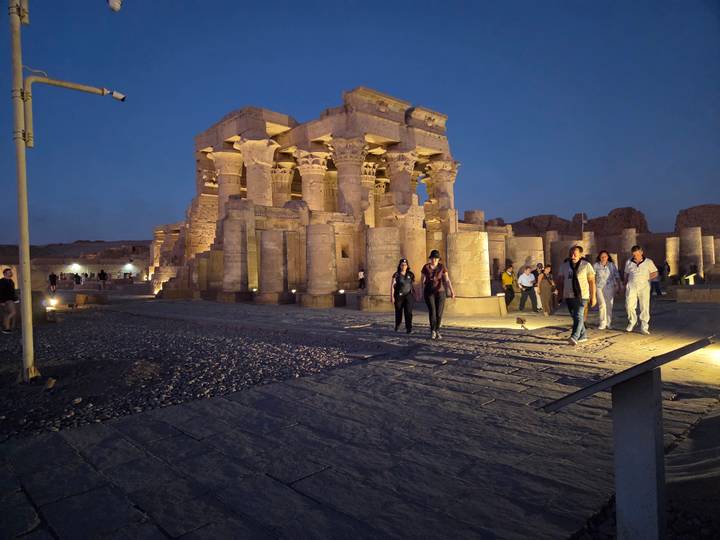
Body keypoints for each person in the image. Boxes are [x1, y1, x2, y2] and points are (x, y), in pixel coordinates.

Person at [557, 245, 597, 345]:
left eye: (575, 253)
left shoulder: (586, 265)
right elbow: (561, 281)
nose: (573, 256)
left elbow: (592, 282)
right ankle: (583, 335)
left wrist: (593, 296)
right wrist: (560, 294)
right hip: (569, 295)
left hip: (582, 295)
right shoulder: (564, 266)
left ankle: (574, 336)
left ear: (580, 254)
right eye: (571, 254)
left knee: (579, 315)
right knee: (575, 316)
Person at [420, 249, 455, 340]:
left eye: (436, 258)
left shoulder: (442, 267)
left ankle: (437, 329)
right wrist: (420, 291)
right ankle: (433, 330)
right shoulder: (426, 267)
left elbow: (447, 280)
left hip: (440, 292)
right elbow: (422, 280)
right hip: (429, 292)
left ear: (438, 259)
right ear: (430, 259)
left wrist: (452, 291)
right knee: (432, 311)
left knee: (439, 313)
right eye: (432, 258)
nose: (434, 260)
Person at [624, 245, 658, 335]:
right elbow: (626, 274)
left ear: (641, 252)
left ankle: (644, 326)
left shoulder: (648, 262)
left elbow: (655, 273)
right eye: (634, 255)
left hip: (644, 286)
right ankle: (632, 321)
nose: (636, 256)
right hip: (631, 285)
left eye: (637, 254)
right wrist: (624, 284)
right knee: (629, 305)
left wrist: (646, 278)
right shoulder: (628, 262)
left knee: (644, 306)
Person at [593, 251, 621, 330]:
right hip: (599, 287)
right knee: (602, 305)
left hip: (610, 286)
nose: (603, 258)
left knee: (609, 305)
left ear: (608, 257)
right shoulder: (596, 265)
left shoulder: (611, 265)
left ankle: (609, 323)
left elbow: (617, 275)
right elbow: (593, 276)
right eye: (602, 257)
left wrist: (619, 285)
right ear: (599, 257)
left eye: (605, 256)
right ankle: (602, 323)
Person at [390, 258, 417, 334]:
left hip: (408, 295)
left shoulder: (410, 274)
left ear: (407, 266)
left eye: (405, 265)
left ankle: (409, 328)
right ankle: (397, 325)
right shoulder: (396, 274)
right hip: (399, 296)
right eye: (402, 265)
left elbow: (413, 285)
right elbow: (392, 286)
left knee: (408, 312)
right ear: (400, 266)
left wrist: (417, 294)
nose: (403, 266)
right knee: (398, 311)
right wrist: (392, 296)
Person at [1, 268, 19, 334]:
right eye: (9, 272)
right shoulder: (2, 281)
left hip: (11, 299)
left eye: (11, 272)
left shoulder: (11, 281)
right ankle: (6, 326)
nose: (11, 273)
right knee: (13, 312)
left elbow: (12, 291)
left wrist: (15, 299)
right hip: (6, 300)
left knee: (7, 313)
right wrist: (1, 301)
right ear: (5, 273)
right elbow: (0, 291)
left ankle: (7, 328)